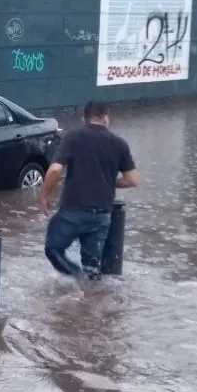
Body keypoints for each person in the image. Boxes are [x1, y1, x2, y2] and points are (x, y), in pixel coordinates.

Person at [38, 101, 140, 280]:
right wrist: (107, 179)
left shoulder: (72, 137)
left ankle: (76, 277)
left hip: (72, 212)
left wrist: (45, 195)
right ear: (106, 117)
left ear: (84, 118)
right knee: (92, 267)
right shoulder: (119, 143)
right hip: (101, 216)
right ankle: (92, 298)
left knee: (53, 248)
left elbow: (55, 170)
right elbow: (132, 180)